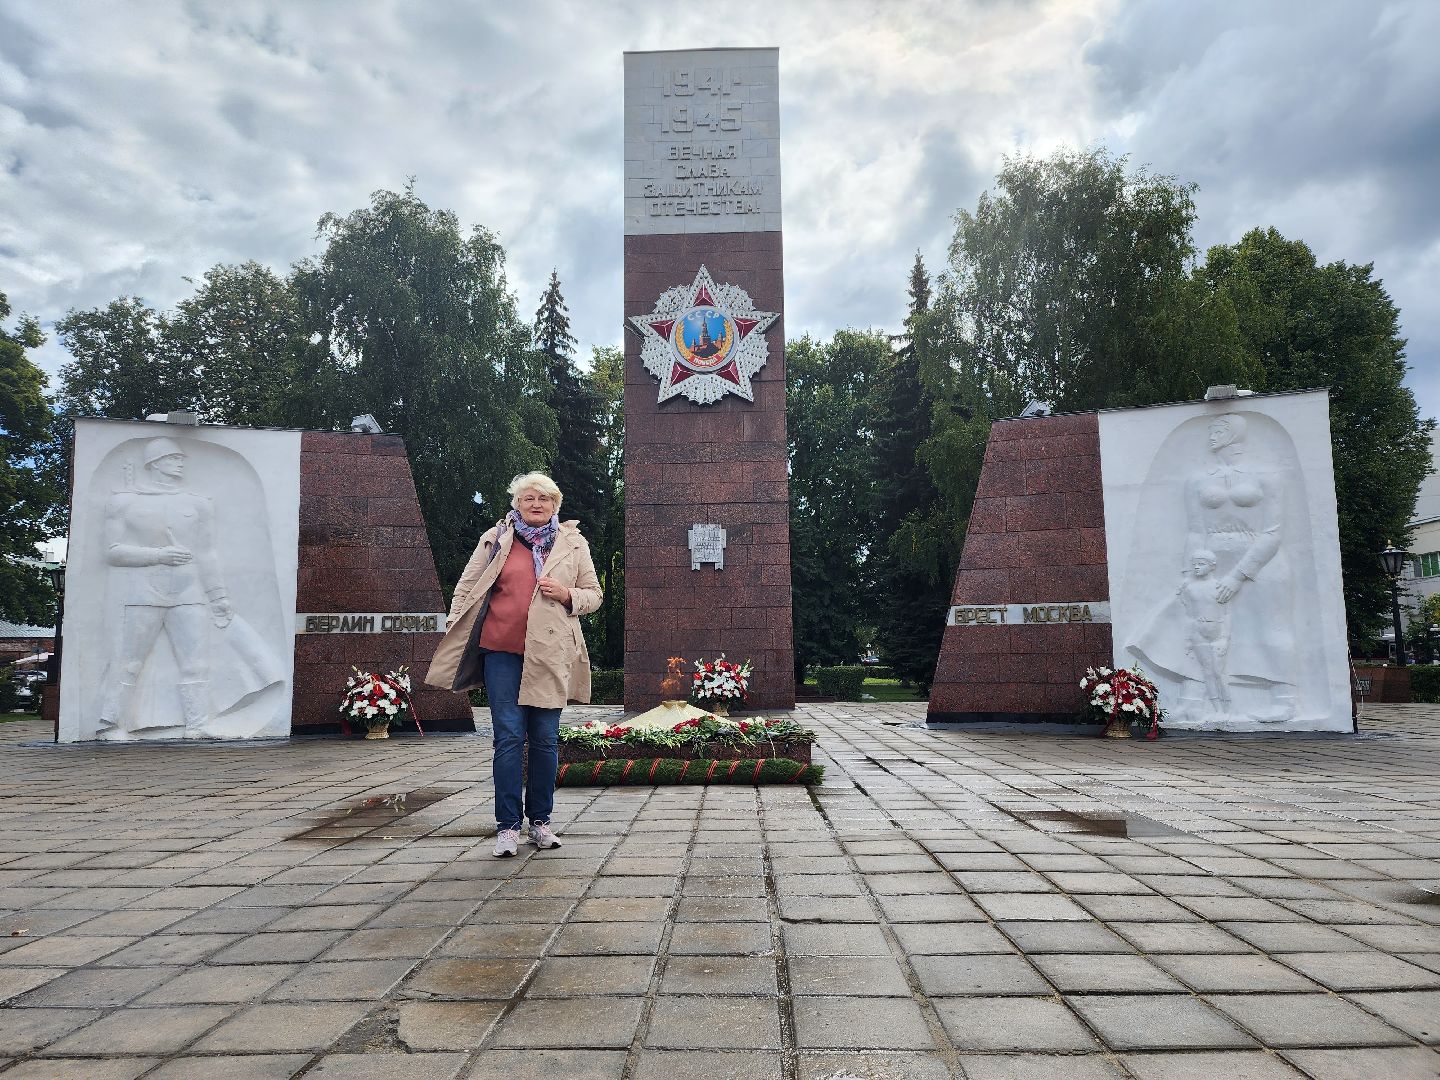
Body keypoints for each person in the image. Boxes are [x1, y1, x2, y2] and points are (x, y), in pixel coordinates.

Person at [425, 472, 602, 856]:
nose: (536, 504)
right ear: (516, 504)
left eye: (543, 498)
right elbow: (466, 587)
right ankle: (507, 826)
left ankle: (540, 823)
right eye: (528, 499)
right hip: (501, 651)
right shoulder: (495, 538)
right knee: (507, 738)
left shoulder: (573, 543)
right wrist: (455, 626)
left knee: (544, 740)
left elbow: (594, 594)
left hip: (551, 655)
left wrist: (568, 594)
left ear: (555, 505)